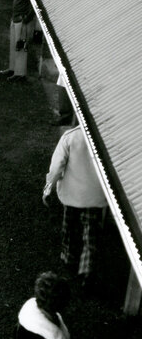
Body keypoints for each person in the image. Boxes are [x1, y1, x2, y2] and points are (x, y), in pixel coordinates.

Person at [43, 120, 107, 288]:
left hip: (72, 194)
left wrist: (48, 188)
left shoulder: (70, 137)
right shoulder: (105, 137)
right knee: (90, 233)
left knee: (69, 227)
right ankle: (87, 270)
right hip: (95, 196)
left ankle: (69, 257)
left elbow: (57, 167)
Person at [1, 0, 35, 82]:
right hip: (15, 18)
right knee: (13, 45)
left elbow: (33, 3)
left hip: (22, 20)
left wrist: (27, 18)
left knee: (20, 46)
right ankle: (12, 68)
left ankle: (20, 73)